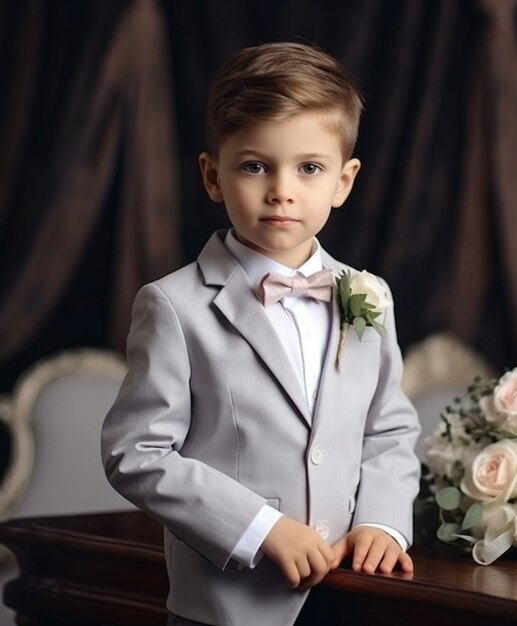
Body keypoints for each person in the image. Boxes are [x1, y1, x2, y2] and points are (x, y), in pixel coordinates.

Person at [101, 41, 421, 626]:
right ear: (212, 176)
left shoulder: (370, 295)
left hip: (356, 594)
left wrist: (382, 522)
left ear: (344, 181)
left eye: (309, 168)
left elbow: (389, 428)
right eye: (254, 166)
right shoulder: (173, 305)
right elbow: (136, 452)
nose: (282, 189)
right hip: (227, 607)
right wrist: (258, 527)